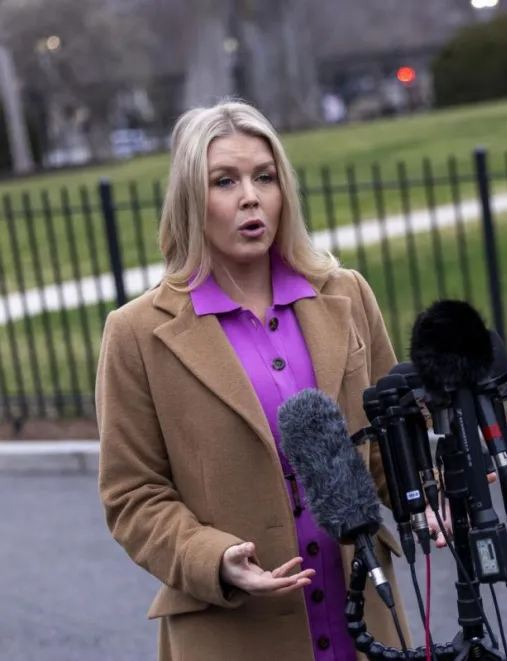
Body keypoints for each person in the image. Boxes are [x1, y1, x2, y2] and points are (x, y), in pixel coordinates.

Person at [95, 99, 444, 661]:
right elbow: (132, 495)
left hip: (367, 617)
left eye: (265, 176)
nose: (250, 196)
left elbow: (388, 441)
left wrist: (431, 489)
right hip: (235, 631)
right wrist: (213, 558)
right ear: (191, 198)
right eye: (224, 181)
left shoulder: (345, 295)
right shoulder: (137, 333)